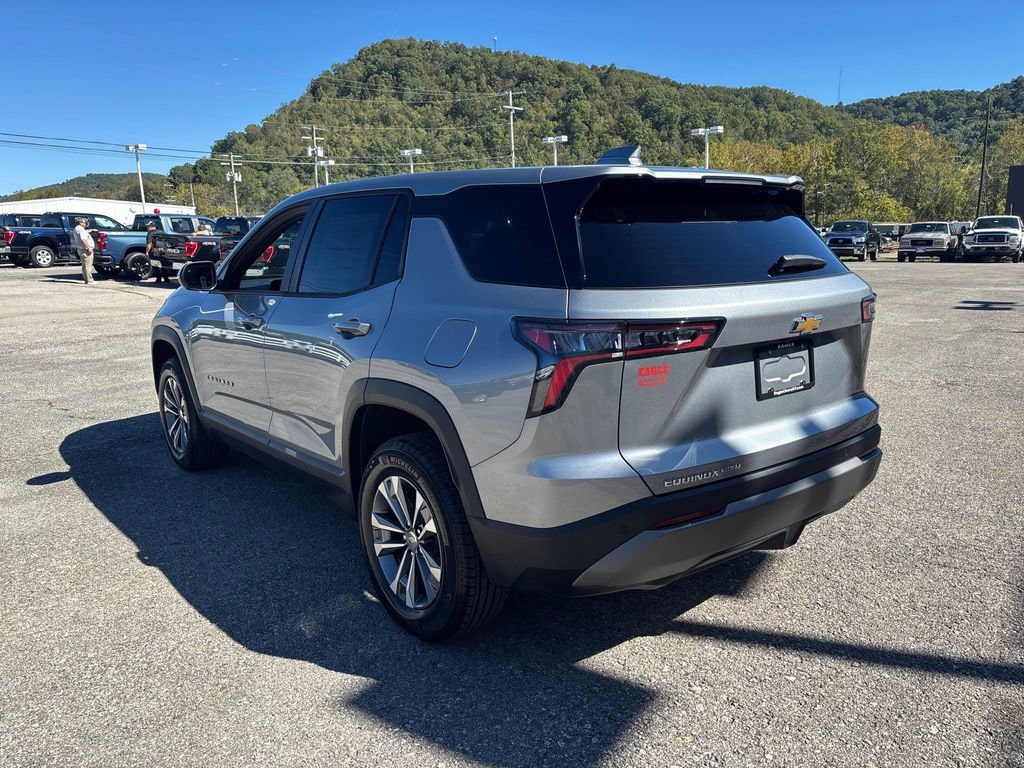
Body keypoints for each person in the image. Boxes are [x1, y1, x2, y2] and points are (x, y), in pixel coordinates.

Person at [72, 217, 95, 284]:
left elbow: (83, 233)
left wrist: (91, 230)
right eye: (84, 222)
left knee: (84, 265)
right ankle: (89, 280)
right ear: (80, 223)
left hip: (80, 249)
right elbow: (83, 239)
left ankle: (86, 279)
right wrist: (88, 248)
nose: (85, 223)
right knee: (88, 266)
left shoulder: (76, 229)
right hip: (85, 249)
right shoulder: (81, 230)